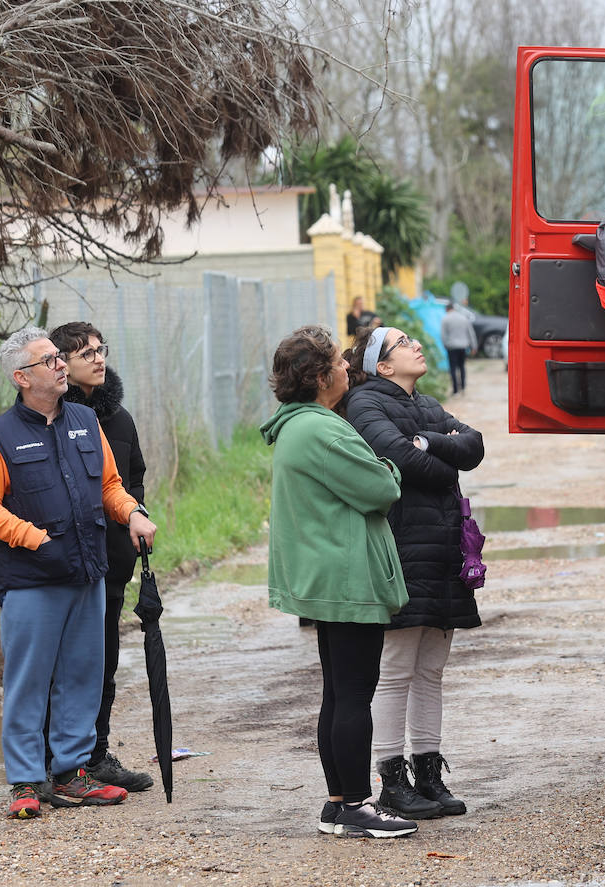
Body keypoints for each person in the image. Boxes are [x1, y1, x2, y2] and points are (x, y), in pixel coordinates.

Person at [0, 327, 157, 820]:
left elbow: (110, 485)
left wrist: (132, 513)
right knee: (29, 682)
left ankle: (72, 773)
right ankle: (26, 781)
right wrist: (35, 539)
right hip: (32, 580)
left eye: (58, 357)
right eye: (49, 360)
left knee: (82, 677)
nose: (59, 365)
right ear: (22, 377)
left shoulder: (85, 421)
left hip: (86, 572)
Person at [260, 324, 416, 839]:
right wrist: (388, 465)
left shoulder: (302, 424)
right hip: (345, 579)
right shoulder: (321, 430)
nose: (347, 366)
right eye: (337, 362)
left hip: (329, 575)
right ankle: (356, 805)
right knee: (353, 696)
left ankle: (337, 804)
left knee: (339, 694)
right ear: (319, 376)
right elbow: (381, 488)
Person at [344, 325, 485, 820]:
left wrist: (428, 442)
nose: (416, 345)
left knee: (431, 669)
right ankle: (391, 780)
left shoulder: (425, 404)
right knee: (397, 668)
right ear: (381, 366)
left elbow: (474, 446)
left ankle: (428, 774)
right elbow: (401, 460)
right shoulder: (365, 404)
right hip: (401, 547)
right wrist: (443, 456)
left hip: (443, 548)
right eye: (403, 343)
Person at [46, 321, 153, 793]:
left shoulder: (119, 419)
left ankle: (96, 755)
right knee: (58, 666)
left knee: (103, 661)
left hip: (110, 561)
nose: (98, 358)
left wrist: (133, 522)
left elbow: (132, 479)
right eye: (85, 353)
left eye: (100, 349)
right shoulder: (48, 419)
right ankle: (50, 762)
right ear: (60, 364)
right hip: (61, 564)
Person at [438, 302, 478, 395]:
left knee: (453, 368)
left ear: (447, 309)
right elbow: (471, 333)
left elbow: (443, 335)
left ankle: (455, 390)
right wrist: (474, 346)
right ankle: (463, 387)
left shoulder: (445, 319)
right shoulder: (463, 318)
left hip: (451, 347)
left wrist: (445, 345)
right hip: (463, 346)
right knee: (462, 366)